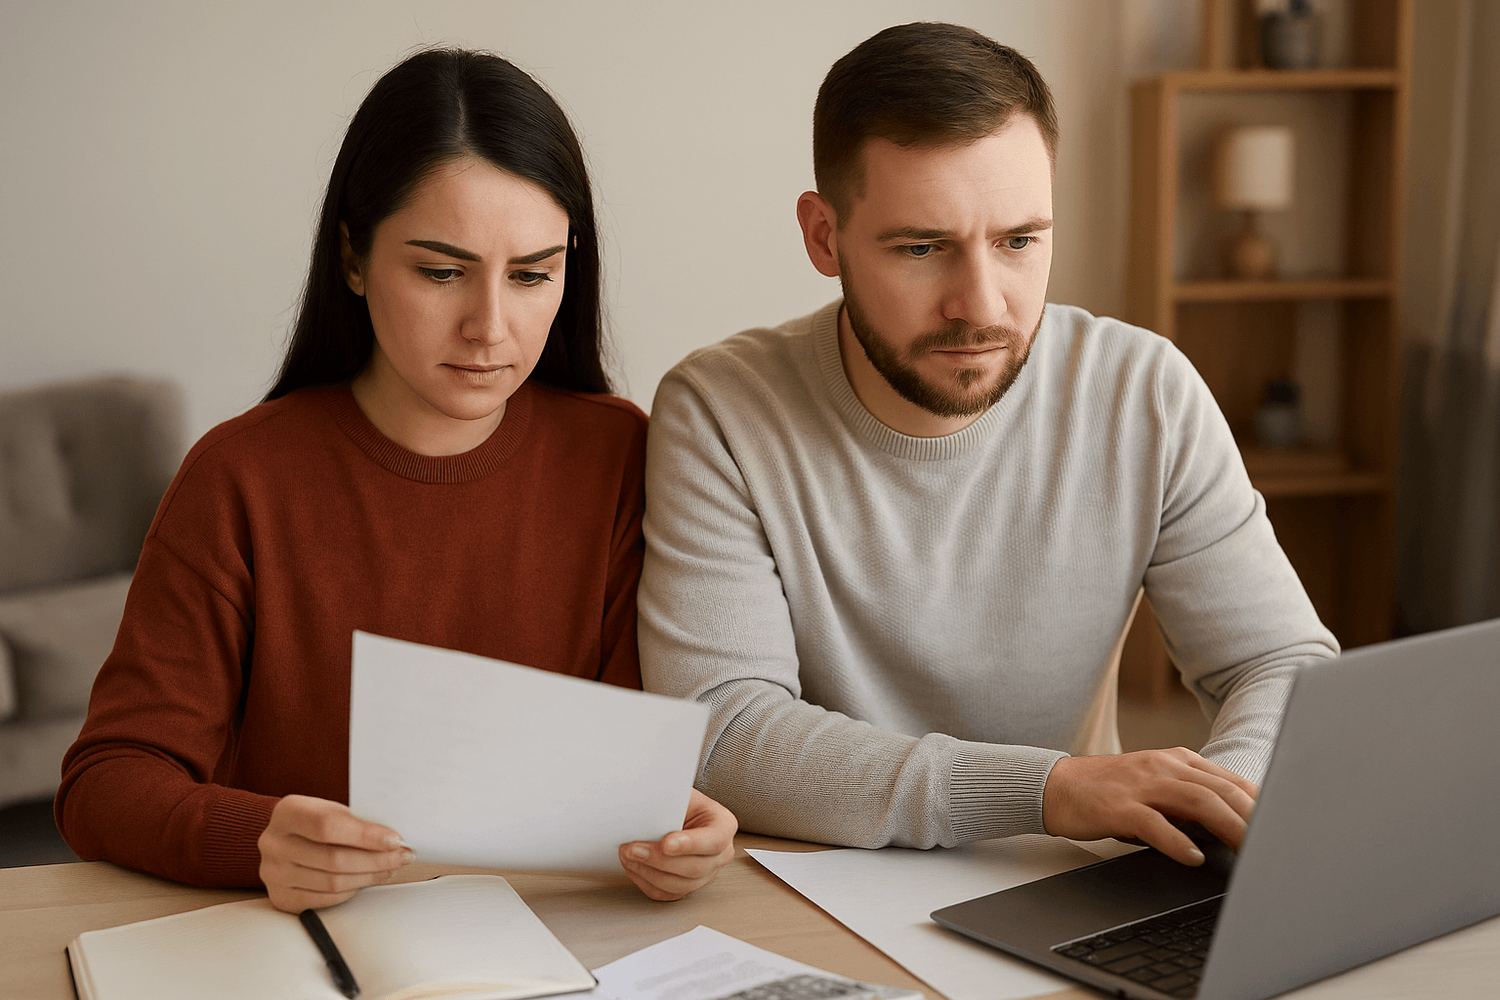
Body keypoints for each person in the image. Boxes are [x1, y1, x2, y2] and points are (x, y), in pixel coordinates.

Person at [638, 22, 1337, 867]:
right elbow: (727, 731)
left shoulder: (1143, 392)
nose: (982, 305)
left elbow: (1280, 660)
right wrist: (1051, 790)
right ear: (825, 237)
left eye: (1018, 242)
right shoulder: (720, 412)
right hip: (817, 880)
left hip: (1061, 882)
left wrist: (1217, 811)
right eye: (923, 248)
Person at [57, 48, 735, 911]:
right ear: (352, 257)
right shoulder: (240, 477)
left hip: (553, 933)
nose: (490, 326)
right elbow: (106, 782)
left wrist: (675, 825)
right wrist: (259, 839)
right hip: (295, 940)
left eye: (532, 275)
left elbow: (624, 767)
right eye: (441, 271)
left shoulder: (617, 457)